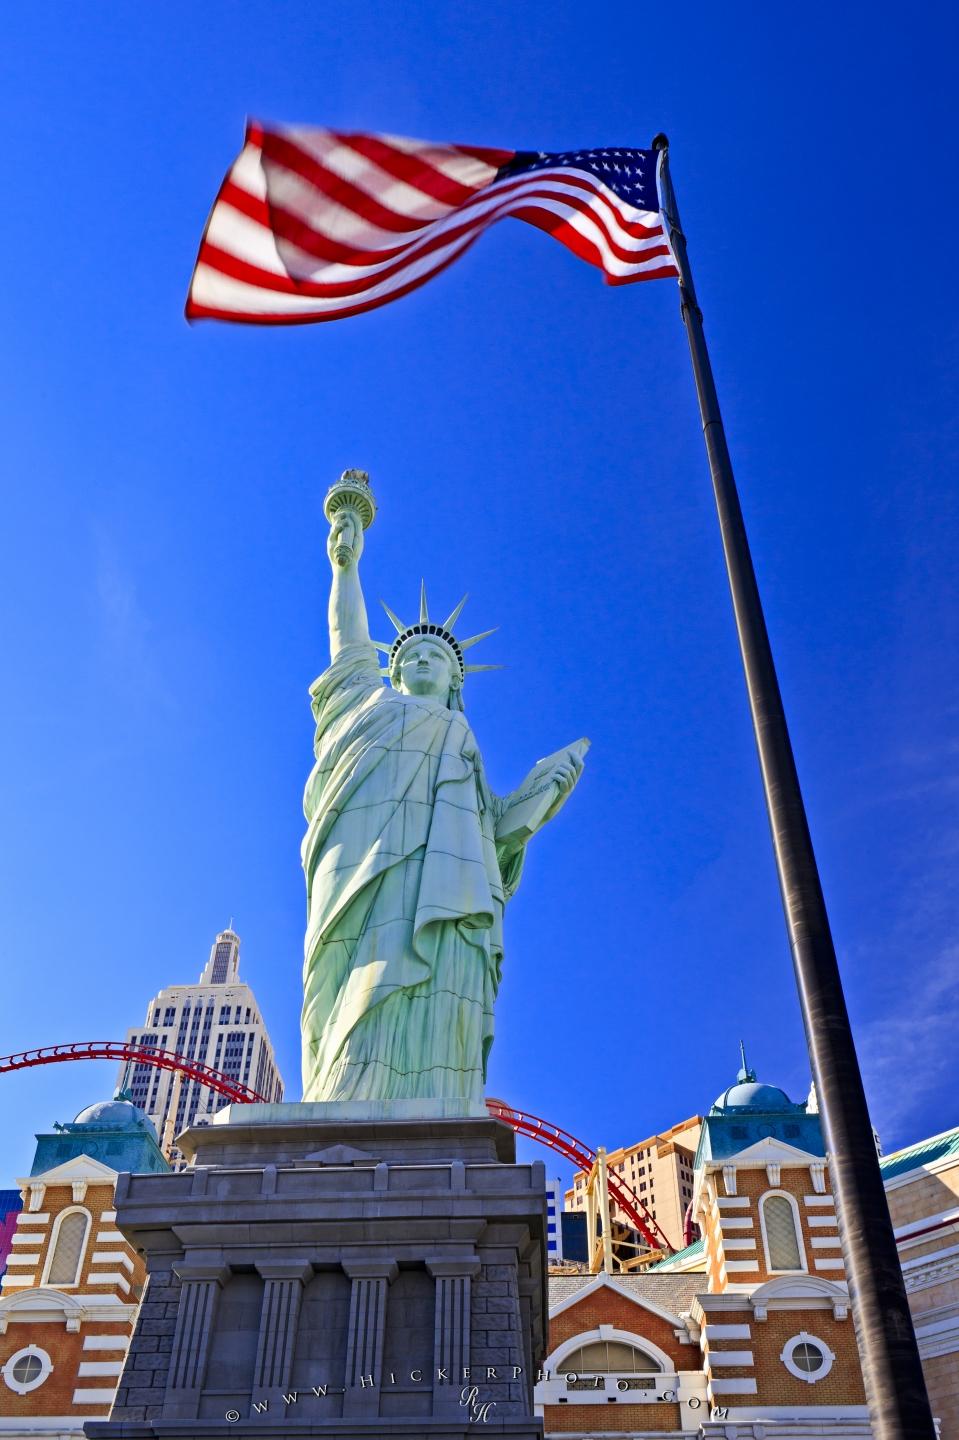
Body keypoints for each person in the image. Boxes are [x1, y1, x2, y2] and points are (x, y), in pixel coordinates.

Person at [300, 503, 584, 1105]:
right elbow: (347, 643)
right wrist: (344, 567)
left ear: (457, 679)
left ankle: (435, 1103)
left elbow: (490, 836)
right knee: (357, 987)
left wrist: (541, 796)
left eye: (437, 658)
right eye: (408, 658)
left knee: (440, 988)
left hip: (444, 889)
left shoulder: (461, 737)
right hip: (365, 870)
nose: (422, 661)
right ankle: (345, 1098)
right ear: (393, 672)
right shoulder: (367, 706)